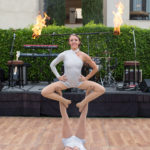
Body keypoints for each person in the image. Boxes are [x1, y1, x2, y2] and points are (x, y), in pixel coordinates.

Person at [41, 34, 105, 150]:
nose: (74, 41)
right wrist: (59, 77)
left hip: (80, 83)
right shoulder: (65, 54)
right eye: (71, 40)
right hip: (66, 83)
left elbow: (95, 68)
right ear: (69, 42)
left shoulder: (83, 55)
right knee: (44, 92)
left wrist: (86, 78)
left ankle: (82, 103)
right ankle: (63, 100)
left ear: (79, 42)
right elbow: (52, 65)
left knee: (101, 89)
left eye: (76, 40)